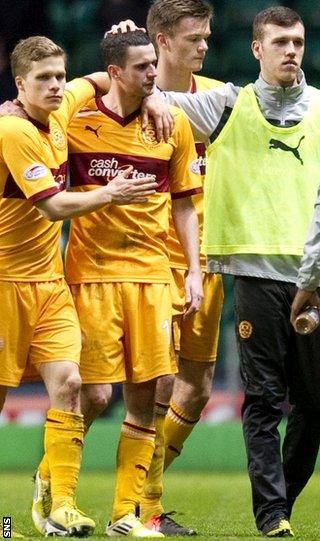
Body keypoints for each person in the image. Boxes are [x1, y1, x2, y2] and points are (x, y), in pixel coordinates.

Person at [144, 5, 320, 538]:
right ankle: (273, 517)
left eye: (298, 41)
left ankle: (280, 501)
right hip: (253, 274)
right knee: (264, 400)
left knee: (313, 406)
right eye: (280, 42)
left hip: (312, 278)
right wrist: (125, 51)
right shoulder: (227, 105)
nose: (291, 50)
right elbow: (149, 98)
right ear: (256, 50)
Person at [0, 35, 158, 537]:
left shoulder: (62, 106)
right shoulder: (13, 130)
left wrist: (149, 91)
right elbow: (52, 205)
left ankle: (59, 507)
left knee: (72, 385)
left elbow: (102, 76)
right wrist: (110, 193)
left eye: (58, 76)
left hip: (49, 282)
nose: (55, 86)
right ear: (19, 84)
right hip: (4, 284)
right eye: (42, 78)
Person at [63, 29, 202, 537]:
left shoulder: (172, 124)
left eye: (154, 66)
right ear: (115, 73)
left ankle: (125, 515)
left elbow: (186, 203)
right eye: (142, 67)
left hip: (152, 278)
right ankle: (53, 493)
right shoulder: (77, 120)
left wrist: (192, 272)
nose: (153, 74)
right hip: (94, 276)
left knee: (150, 395)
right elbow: (49, 99)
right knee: (94, 396)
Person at [137, 0, 224, 536]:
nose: (205, 45)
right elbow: (53, 99)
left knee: (197, 388)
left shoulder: (218, 98)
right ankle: (146, 510)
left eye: (208, 36)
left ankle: (138, 493)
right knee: (156, 387)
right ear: (162, 41)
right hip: (151, 261)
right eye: (194, 37)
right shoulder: (125, 96)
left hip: (209, 261)